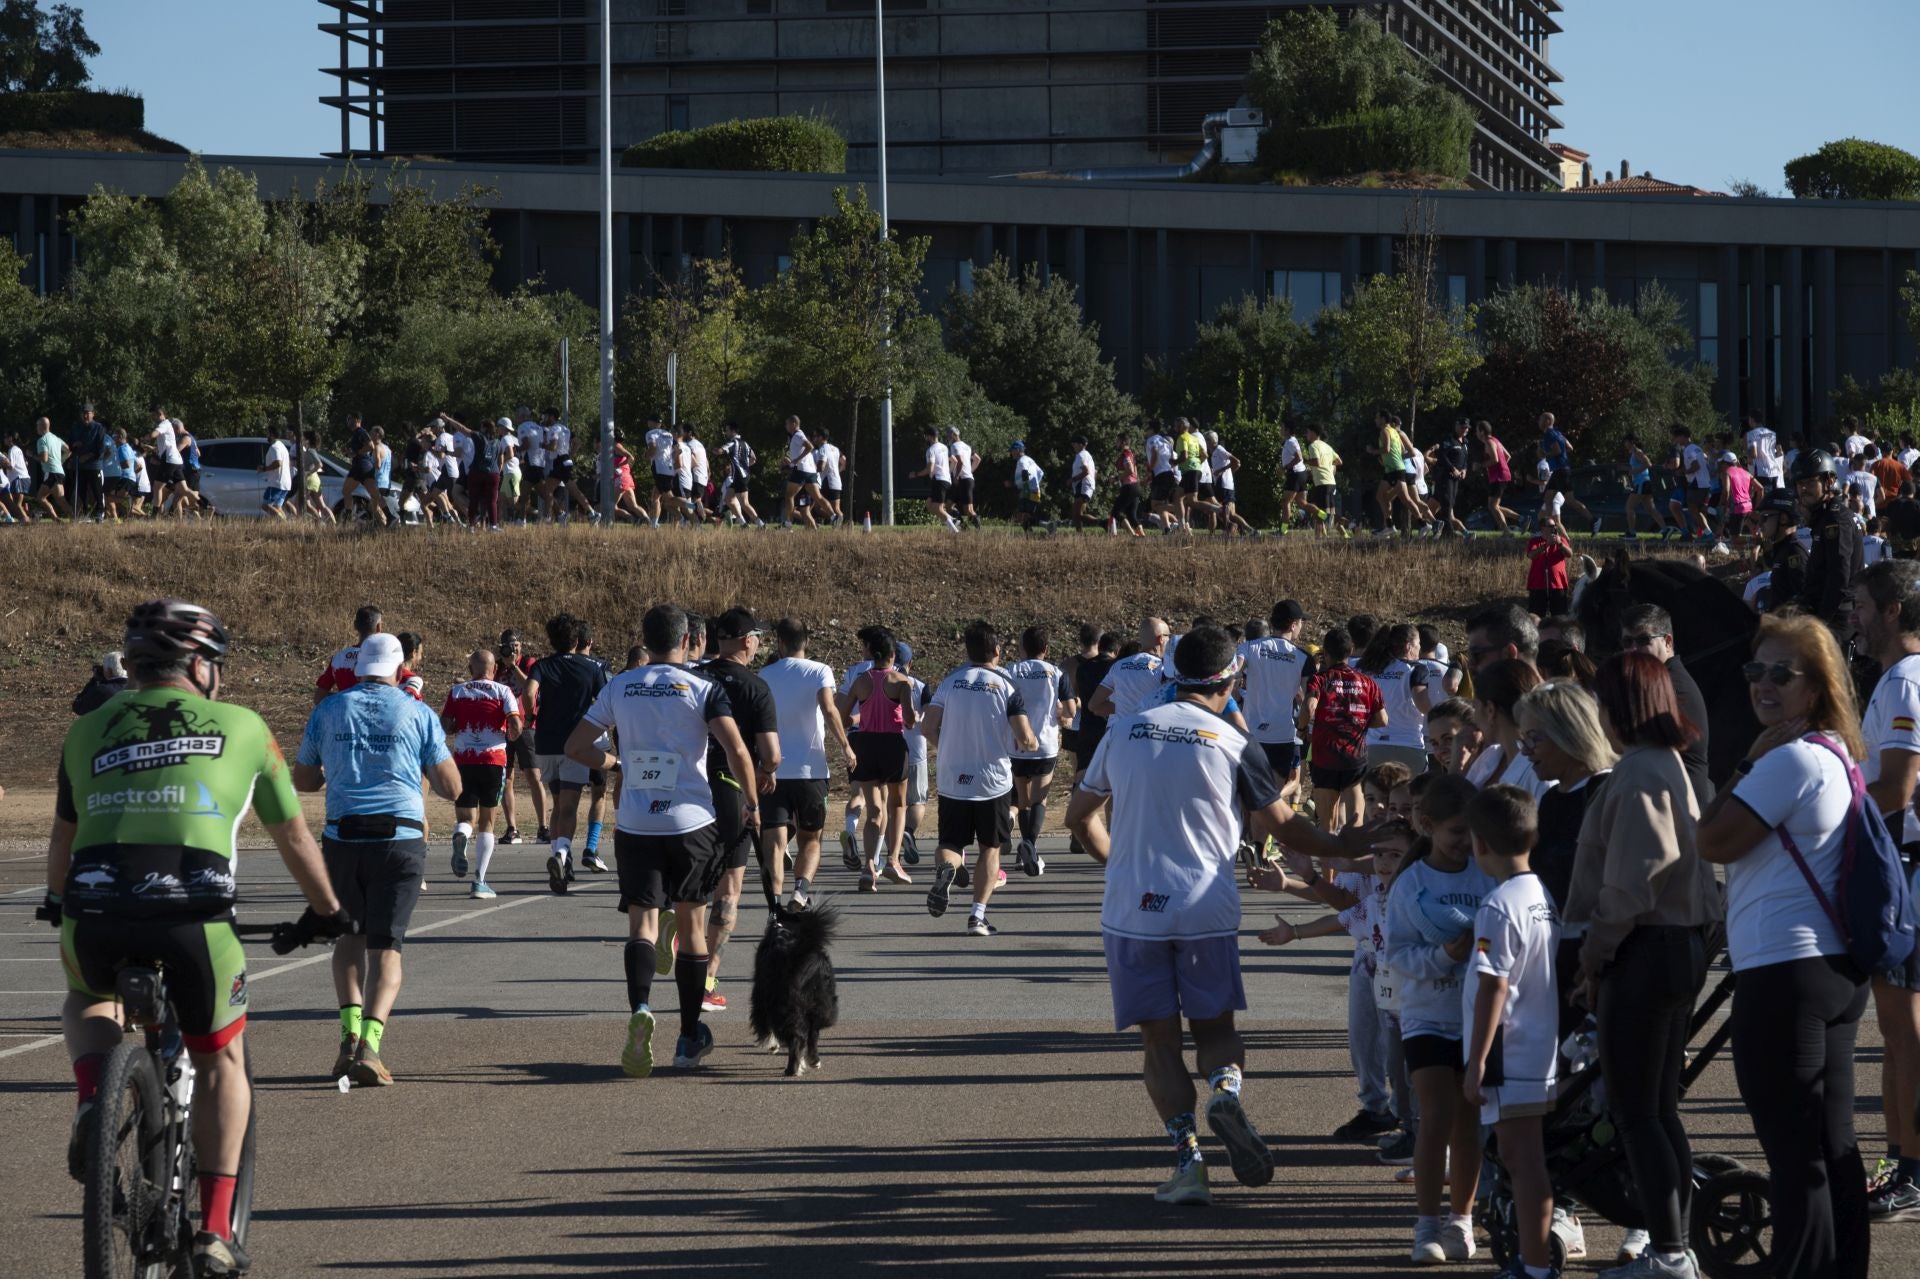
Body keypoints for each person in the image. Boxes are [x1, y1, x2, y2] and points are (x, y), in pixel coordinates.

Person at [47, 601, 350, 1279]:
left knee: (84, 998)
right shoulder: (243, 725)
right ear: (201, 666)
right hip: (193, 916)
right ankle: (215, 1228)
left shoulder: (86, 729)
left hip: (95, 908)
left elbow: (62, 841)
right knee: (223, 1059)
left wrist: (54, 901)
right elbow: (294, 834)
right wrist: (328, 910)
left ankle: (95, 1096)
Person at [1067, 625, 1353, 1205]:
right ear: (1231, 679)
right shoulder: (1229, 739)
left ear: (1171, 675)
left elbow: (1079, 815)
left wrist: (1117, 863)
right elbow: (1288, 828)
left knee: (1159, 1045)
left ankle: (1188, 1163)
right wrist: (1352, 844)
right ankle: (1225, 1089)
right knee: (1217, 1031)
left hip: (1133, 911)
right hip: (1205, 906)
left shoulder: (1122, 730)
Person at [1697, 614, 1874, 1279]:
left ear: (1817, 684)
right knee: (1832, 1146)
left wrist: (1747, 759)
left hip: (1783, 971)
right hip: (1831, 969)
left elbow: (1708, 840)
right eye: (1754, 670)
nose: (1763, 685)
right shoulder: (1837, 752)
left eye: (1782, 673)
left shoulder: (1789, 758)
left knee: (1796, 1154)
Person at [1571, 652, 1721, 1279]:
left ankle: (1668, 1250)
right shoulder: (1663, 767)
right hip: (1670, 947)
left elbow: (1633, 884)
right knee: (1656, 1110)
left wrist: (1593, 952)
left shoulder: (1640, 773)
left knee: (1639, 1112)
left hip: (1644, 951)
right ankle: (1673, 1245)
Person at [563, 604, 759, 1076]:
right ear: (689, 640)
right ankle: (689, 1035)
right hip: (690, 823)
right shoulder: (702, 687)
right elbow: (735, 748)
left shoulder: (620, 685)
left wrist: (617, 764)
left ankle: (641, 1009)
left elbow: (575, 746)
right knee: (692, 929)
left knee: (642, 926)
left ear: (645, 640)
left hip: (635, 823)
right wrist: (752, 803)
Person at [292, 631, 458, 1089]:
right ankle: (371, 1042)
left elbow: (303, 777)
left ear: (359, 666)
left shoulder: (328, 709)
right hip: (399, 837)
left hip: (343, 836)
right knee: (387, 945)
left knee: (348, 938)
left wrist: (338, 768)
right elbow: (452, 787)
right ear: (401, 669)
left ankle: (347, 1034)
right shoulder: (417, 711)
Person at [1386, 773, 1497, 1263]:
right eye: (1456, 832)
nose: (1466, 843)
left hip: (1477, 1017)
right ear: (1428, 826)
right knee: (1435, 1116)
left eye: (1472, 832)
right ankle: (1425, 1225)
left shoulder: (1488, 873)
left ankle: (1462, 1221)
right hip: (1427, 1014)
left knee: (1468, 1122)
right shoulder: (1410, 884)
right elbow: (1399, 954)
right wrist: (1446, 956)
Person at [1843, 560, 1920, 1219]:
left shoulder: (1903, 680)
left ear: (1893, 609)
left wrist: (1825, 797)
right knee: (1899, 1031)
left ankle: (1910, 1166)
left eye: (1862, 605)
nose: (1854, 616)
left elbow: (1896, 788)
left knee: (1904, 1031)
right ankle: (1901, 1160)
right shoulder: (1901, 679)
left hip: (1908, 866)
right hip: (1905, 862)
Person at [1462, 785, 1562, 1279]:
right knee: (1526, 1162)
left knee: (1524, 1164)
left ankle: (1536, 1265)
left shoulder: (1498, 905)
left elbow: (1493, 987)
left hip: (1511, 1051)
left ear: (1480, 843)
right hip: (1538, 1046)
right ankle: (1535, 1259)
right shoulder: (1540, 895)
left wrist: (1477, 1059)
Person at [920, 620, 1040, 936]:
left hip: (951, 778)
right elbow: (1025, 737)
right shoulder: (1006, 686)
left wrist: (945, 747)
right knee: (990, 847)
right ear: (998, 651)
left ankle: (948, 867)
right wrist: (1031, 743)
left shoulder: (951, 682)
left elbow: (927, 727)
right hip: (992, 781)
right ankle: (977, 915)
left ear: (968, 651)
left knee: (949, 842)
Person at [696, 608, 781, 1010]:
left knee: (691, 877)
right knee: (729, 886)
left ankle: (672, 929)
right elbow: (771, 752)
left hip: (688, 785)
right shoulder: (755, 686)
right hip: (731, 787)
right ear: (748, 642)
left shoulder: (694, 677)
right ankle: (707, 977)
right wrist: (765, 774)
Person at [760, 617, 856, 907]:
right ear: (807, 641)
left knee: (775, 843)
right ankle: (800, 892)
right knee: (810, 839)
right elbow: (829, 709)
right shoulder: (819, 670)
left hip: (774, 769)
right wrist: (846, 746)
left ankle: (774, 904)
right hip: (810, 771)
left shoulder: (764, 674)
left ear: (779, 642)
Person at [526, 613, 612, 892]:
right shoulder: (592, 668)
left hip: (546, 742)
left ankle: (560, 859)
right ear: (577, 640)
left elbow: (529, 692)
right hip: (575, 744)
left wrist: (531, 716)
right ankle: (562, 855)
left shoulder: (542, 665)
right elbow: (605, 702)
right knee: (569, 807)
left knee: (557, 801)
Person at [441, 650, 524, 900]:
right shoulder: (503, 691)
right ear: (494, 668)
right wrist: (511, 736)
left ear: (471, 669)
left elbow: (445, 724)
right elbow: (516, 724)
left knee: (467, 816)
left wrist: (456, 727)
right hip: (492, 760)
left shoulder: (458, 691)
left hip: (464, 759)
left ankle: (462, 834)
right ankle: (479, 881)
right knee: (488, 821)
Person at [839, 626, 917, 889]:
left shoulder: (860, 681)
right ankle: (894, 860)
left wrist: (863, 717)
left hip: (865, 745)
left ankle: (868, 868)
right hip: (892, 745)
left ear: (871, 654)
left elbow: (844, 717)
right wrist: (914, 717)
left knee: (873, 811)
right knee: (897, 805)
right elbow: (908, 720)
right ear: (893, 655)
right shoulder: (900, 682)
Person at [1617, 604, 1712, 806]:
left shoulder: (1672, 689)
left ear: (1668, 642)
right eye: (1627, 642)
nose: (1633, 650)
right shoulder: (1658, 683)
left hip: (1682, 816)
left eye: (1643, 640)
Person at [1005, 626, 1076, 877]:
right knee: (1039, 800)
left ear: (1021, 649)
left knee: (1022, 801)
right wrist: (1060, 714)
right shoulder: (1057, 672)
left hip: (1017, 743)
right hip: (1045, 745)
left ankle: (1026, 847)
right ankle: (1030, 846)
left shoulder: (1011, 670)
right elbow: (1070, 710)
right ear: (1046, 649)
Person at [1301, 627, 1384, 831]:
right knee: (1356, 822)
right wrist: (1359, 722)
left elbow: (1309, 706)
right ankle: (1353, 861)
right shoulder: (1367, 682)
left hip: (1325, 757)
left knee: (1327, 824)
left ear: (1326, 653)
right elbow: (1382, 719)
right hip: (1355, 757)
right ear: (1351, 650)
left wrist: (1301, 727)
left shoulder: (1320, 679)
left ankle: (1328, 864)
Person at [1239, 601, 1311, 804]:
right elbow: (1308, 700)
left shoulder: (1249, 647)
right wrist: (1304, 726)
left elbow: (1233, 677)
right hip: (1282, 735)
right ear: (1293, 625)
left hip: (1250, 731)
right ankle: (1260, 837)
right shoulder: (1303, 657)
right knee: (1271, 797)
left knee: (1247, 792)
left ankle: (1245, 835)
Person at [1794, 449, 1865, 626]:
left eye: (1810, 482)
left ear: (1830, 481)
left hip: (1836, 617)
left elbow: (1839, 576)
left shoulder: (1835, 519)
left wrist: (1820, 622)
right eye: (1800, 483)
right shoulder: (1823, 517)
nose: (1803, 489)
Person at [1465, 659, 1553, 799]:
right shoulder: (1489, 756)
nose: (1474, 719)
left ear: (1490, 710)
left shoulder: (1540, 776)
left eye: (1475, 708)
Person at [1356, 623, 1433, 778]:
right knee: (1409, 800)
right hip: (1408, 746)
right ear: (1408, 647)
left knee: (1375, 800)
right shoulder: (1415, 669)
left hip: (1373, 747)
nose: (1420, 648)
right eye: (1418, 644)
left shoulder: (1369, 668)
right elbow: (1423, 704)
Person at [495, 629, 549, 844]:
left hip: (527, 725)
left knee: (534, 776)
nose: (513, 648)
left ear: (521, 646)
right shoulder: (497, 667)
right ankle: (512, 829)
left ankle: (543, 827)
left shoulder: (529, 663)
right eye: (508, 644)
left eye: (516, 644)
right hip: (503, 727)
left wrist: (513, 665)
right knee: (506, 777)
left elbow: (530, 687)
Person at [1539, 411, 1599, 534]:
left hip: (1561, 470)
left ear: (1548, 421)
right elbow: (1569, 447)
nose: (1538, 422)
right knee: (1548, 497)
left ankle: (1594, 520)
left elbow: (1557, 450)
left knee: (1570, 500)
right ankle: (1550, 527)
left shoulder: (1549, 434)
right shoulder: (1558, 433)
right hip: (1559, 470)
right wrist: (1562, 457)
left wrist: (1546, 454)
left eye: (1541, 419)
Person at [912, 425, 961, 532]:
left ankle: (954, 530)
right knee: (929, 505)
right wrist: (948, 473)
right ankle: (952, 520)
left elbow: (930, 468)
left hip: (939, 480)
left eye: (926, 436)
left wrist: (916, 474)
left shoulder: (930, 450)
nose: (925, 438)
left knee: (938, 508)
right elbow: (954, 461)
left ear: (929, 437)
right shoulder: (944, 447)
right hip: (946, 480)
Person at [1476, 420, 1521, 535]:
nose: (1476, 433)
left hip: (1498, 477)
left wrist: (1480, 465)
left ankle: (1507, 531)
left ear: (1481, 431)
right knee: (1495, 506)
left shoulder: (1488, 442)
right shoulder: (1495, 440)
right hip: (1502, 475)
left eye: (1477, 430)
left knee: (1492, 506)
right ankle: (1522, 519)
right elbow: (1507, 456)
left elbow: (1495, 459)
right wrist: (1502, 468)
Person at [1526, 516, 1573, 616]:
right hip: (1538, 585)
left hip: (1558, 585)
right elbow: (1531, 555)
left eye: (1555, 525)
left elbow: (1569, 554)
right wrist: (1546, 545)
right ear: (1543, 528)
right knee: (1536, 617)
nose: (1554, 527)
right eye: (1551, 526)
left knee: (1560, 617)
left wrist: (1560, 544)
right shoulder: (1535, 541)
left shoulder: (1561, 540)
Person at [782, 415, 823, 530]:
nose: (786, 426)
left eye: (787, 424)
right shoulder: (795, 436)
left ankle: (788, 525)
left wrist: (796, 460)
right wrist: (790, 462)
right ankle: (814, 528)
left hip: (801, 472)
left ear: (793, 423)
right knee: (805, 509)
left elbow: (809, 447)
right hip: (807, 473)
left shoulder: (798, 434)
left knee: (789, 496)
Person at [1301, 423, 1343, 536]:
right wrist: (1328, 464)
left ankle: (1318, 540)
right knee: (1329, 514)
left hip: (1322, 483)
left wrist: (1305, 461)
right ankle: (1343, 534)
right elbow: (1339, 461)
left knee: (1320, 514)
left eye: (1308, 432)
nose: (1306, 435)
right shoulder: (1327, 446)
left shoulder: (1313, 445)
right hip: (1331, 482)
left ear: (1314, 433)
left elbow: (1316, 462)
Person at [1008, 440, 1054, 533]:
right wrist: (1035, 484)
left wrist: (1024, 489)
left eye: (1012, 450)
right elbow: (1041, 473)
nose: (1011, 453)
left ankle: (1047, 526)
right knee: (1026, 516)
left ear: (1017, 450)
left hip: (1027, 492)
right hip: (1035, 491)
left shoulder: (1021, 461)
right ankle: (1031, 535)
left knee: (1022, 517)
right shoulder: (1030, 460)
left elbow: (1025, 473)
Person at [71, 650, 129, 716]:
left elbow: (78, 706)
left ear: (109, 671)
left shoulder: (102, 690)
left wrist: (94, 680)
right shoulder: (137, 687)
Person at [34, 416, 70, 520]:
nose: (36, 427)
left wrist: (32, 455)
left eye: (37, 425)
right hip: (59, 472)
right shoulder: (56, 438)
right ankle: (72, 518)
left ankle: (58, 519)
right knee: (60, 500)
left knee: (40, 498)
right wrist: (61, 461)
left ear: (42, 426)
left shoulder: (42, 440)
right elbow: (68, 450)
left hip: (51, 472)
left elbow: (44, 459)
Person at [1111, 431, 1145, 536]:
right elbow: (1135, 471)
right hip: (1135, 486)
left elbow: (1130, 470)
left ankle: (1132, 535)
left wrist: (1116, 478)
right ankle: (1142, 536)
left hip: (1129, 487)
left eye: (1117, 441)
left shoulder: (1125, 454)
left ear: (1123, 442)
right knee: (1131, 515)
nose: (1116, 443)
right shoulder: (1131, 454)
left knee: (1115, 512)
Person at [946, 426, 980, 528]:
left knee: (968, 510)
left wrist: (956, 476)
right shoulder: (967, 446)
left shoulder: (954, 446)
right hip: (966, 479)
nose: (947, 437)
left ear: (953, 435)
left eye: (948, 435)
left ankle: (979, 529)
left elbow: (960, 462)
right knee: (948, 506)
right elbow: (977, 459)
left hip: (962, 480)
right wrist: (969, 471)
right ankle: (963, 526)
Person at [1068, 434, 1098, 530]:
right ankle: (1080, 536)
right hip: (1084, 486)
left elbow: (1086, 471)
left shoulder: (1081, 455)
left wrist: (1072, 480)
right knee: (1079, 514)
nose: (1073, 445)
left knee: (1076, 514)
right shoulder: (1087, 455)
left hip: (1082, 486)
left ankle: (1104, 522)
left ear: (1081, 445)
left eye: (1075, 443)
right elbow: (1095, 472)